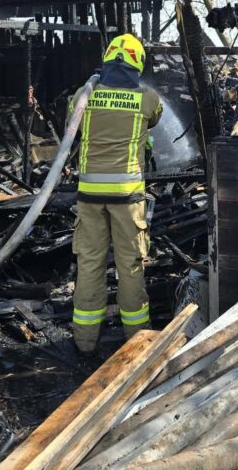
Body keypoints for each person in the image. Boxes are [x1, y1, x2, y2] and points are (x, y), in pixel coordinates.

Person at [69, 33, 162, 355]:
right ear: (138, 63)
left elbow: (73, 124)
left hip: (89, 197)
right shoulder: (147, 98)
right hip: (127, 198)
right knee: (130, 266)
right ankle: (136, 341)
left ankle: (84, 341)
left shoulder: (85, 94)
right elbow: (154, 119)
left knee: (90, 265)